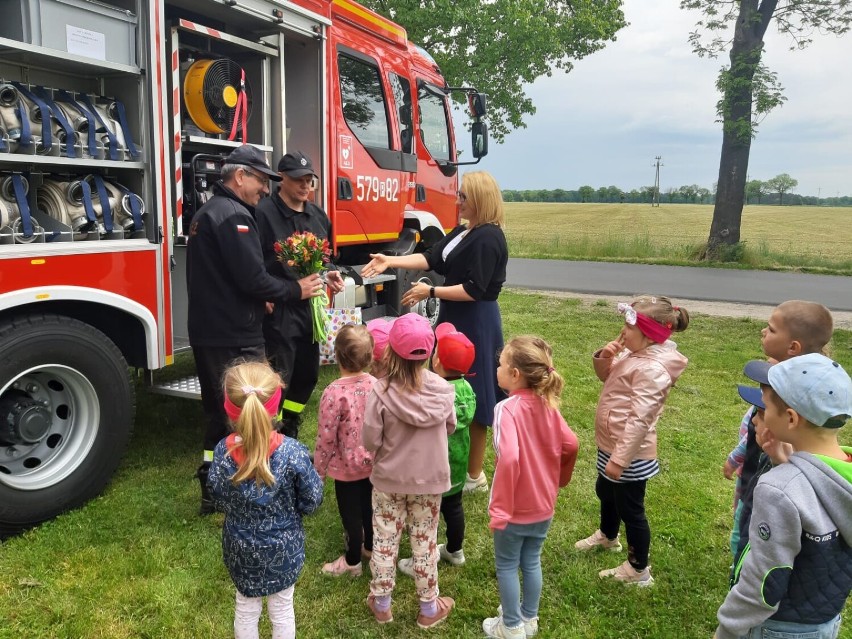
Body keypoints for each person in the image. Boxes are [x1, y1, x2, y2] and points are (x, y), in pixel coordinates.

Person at [361, 171, 508, 494]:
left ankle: (474, 476)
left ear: (480, 200)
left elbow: (474, 289)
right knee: (447, 385)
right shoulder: (465, 231)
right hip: (456, 315)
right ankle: (449, 458)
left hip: (476, 320)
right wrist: (391, 260)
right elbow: (431, 258)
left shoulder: (488, 238)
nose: (458, 201)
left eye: (464, 197)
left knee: (476, 391)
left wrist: (430, 294)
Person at [187, 144, 297, 515]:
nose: (265, 190)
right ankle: (251, 483)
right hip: (234, 334)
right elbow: (252, 278)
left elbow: (225, 278)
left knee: (217, 412)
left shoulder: (209, 212)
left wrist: (256, 298)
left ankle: (212, 482)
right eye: (261, 181)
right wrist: (295, 289)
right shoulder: (235, 216)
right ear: (240, 176)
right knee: (251, 407)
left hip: (210, 331)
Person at [714, 353, 852, 639]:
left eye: (763, 408)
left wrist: (727, 628)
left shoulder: (778, 489)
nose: (756, 415)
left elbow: (764, 583)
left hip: (776, 626)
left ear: (790, 418)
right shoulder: (843, 471)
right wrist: (782, 462)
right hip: (822, 622)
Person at [574, 295, 689, 586]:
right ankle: (608, 536)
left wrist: (620, 460)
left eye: (630, 328)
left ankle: (639, 569)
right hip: (611, 444)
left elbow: (641, 420)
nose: (623, 333)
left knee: (631, 510)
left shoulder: (652, 370)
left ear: (650, 334)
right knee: (606, 491)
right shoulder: (634, 354)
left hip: (630, 455)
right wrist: (606, 355)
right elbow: (607, 378)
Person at [207, 361, 324, 639]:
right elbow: (312, 499)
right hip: (284, 550)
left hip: (240, 550)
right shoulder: (293, 453)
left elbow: (217, 494)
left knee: (245, 608)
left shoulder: (222, 452)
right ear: (275, 406)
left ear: (228, 407)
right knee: (282, 610)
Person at [361, 313, 457, 629]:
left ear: (390, 351)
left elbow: (371, 439)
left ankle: (382, 604)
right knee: (425, 541)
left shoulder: (381, 391)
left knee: (386, 540)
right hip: (430, 481)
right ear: (430, 353)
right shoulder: (443, 390)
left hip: (389, 479)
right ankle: (429, 609)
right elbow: (451, 426)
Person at [482, 336, 579, 639]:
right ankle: (529, 617)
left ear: (514, 375)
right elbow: (571, 444)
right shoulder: (549, 405)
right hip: (543, 507)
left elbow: (509, 459)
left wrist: (499, 508)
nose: (496, 368)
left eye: (500, 364)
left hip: (514, 509)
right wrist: (560, 480)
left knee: (508, 565)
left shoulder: (506, 410)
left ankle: (510, 626)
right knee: (531, 559)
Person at [727, 300, 833, 558]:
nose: (763, 332)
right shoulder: (783, 379)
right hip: (754, 486)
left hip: (765, 500)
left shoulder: (795, 404)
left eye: (771, 329)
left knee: (749, 544)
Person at [255, 150, 344, 440]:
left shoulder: (317, 216)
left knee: (308, 374)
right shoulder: (263, 213)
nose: (305, 187)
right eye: (298, 180)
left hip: (311, 311)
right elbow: (252, 261)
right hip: (280, 308)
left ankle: (289, 422)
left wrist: (330, 272)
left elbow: (326, 256)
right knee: (280, 375)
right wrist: (262, 295)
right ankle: (271, 431)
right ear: (282, 178)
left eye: (309, 180)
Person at [398, 322, 476, 577]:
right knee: (454, 509)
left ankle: (420, 560)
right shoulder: (468, 390)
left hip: (433, 467)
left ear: (437, 362)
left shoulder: (436, 392)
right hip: (458, 465)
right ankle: (455, 551)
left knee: (424, 516)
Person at [313, 324, 377, 577]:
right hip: (374, 463)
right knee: (371, 509)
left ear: (336, 355)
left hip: (346, 470)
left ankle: (352, 562)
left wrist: (318, 471)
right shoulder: (377, 385)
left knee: (351, 516)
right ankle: (371, 548)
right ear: (370, 357)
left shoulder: (334, 393)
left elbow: (325, 438)